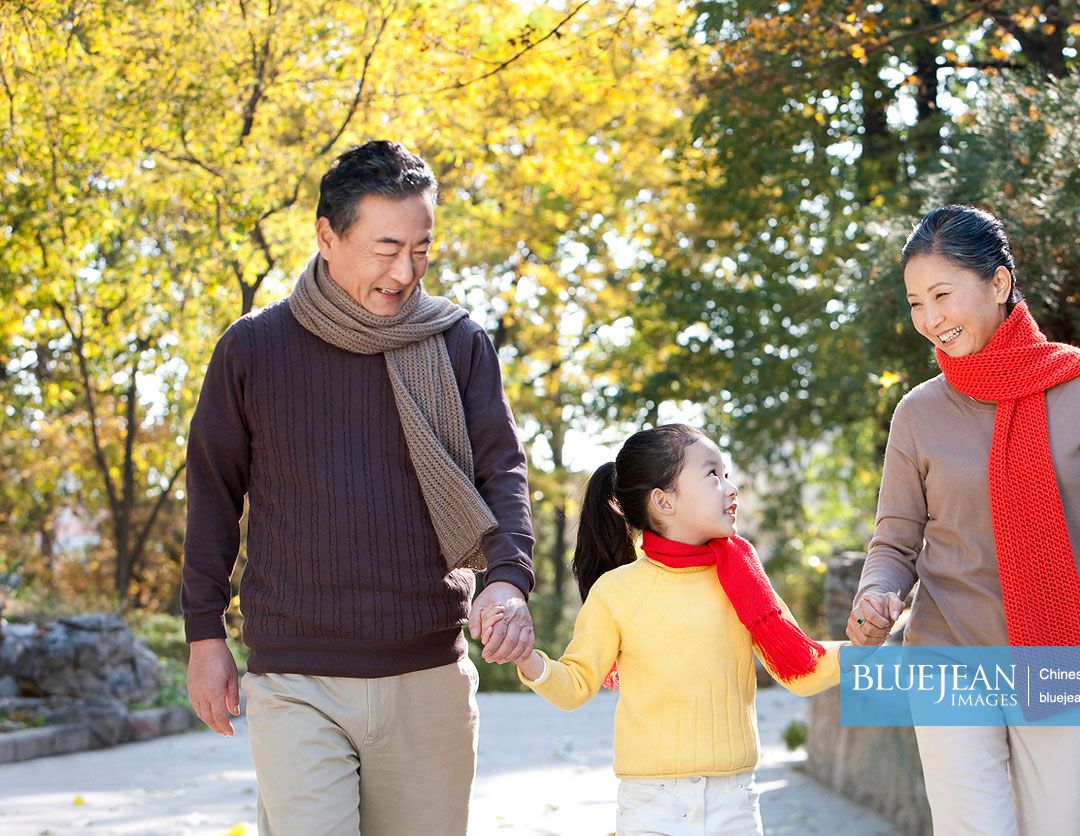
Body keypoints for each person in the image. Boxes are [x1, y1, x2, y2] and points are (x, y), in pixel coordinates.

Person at [181, 140, 536, 836]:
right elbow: (213, 497)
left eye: (421, 248)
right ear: (326, 235)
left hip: (427, 673)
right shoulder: (253, 349)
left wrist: (507, 578)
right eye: (384, 247)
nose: (404, 271)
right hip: (296, 678)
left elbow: (503, 470)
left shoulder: (458, 343)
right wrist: (204, 636)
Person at [848, 205, 1080, 835]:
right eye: (915, 302)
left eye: (942, 295)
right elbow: (895, 540)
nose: (929, 320)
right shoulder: (918, 414)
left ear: (999, 285)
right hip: (948, 661)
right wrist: (878, 591)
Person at [482, 424, 843, 836]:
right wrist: (526, 657)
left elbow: (800, 669)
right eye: (712, 474)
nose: (730, 488)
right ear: (663, 502)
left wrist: (865, 647)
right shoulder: (617, 592)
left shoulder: (743, 576)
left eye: (726, 474)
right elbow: (577, 684)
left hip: (736, 803)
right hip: (651, 807)